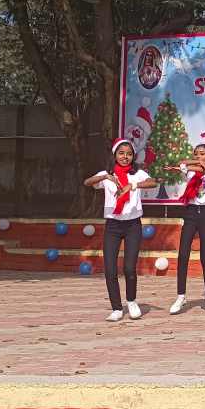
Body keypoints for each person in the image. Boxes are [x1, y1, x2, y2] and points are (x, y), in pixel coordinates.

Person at [83, 138, 157, 322]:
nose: (125, 157)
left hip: (133, 225)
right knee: (110, 269)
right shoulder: (107, 174)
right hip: (113, 226)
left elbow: (153, 182)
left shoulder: (137, 173)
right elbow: (87, 182)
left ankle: (131, 301)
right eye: (121, 153)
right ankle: (116, 308)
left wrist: (133, 185)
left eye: (129, 154)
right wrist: (105, 177)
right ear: (115, 155)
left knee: (129, 267)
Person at [167, 144, 205, 315]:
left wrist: (200, 163)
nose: (198, 156)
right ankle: (181, 296)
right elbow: (183, 163)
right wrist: (192, 162)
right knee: (183, 254)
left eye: (202, 154)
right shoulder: (189, 172)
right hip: (190, 212)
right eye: (195, 153)